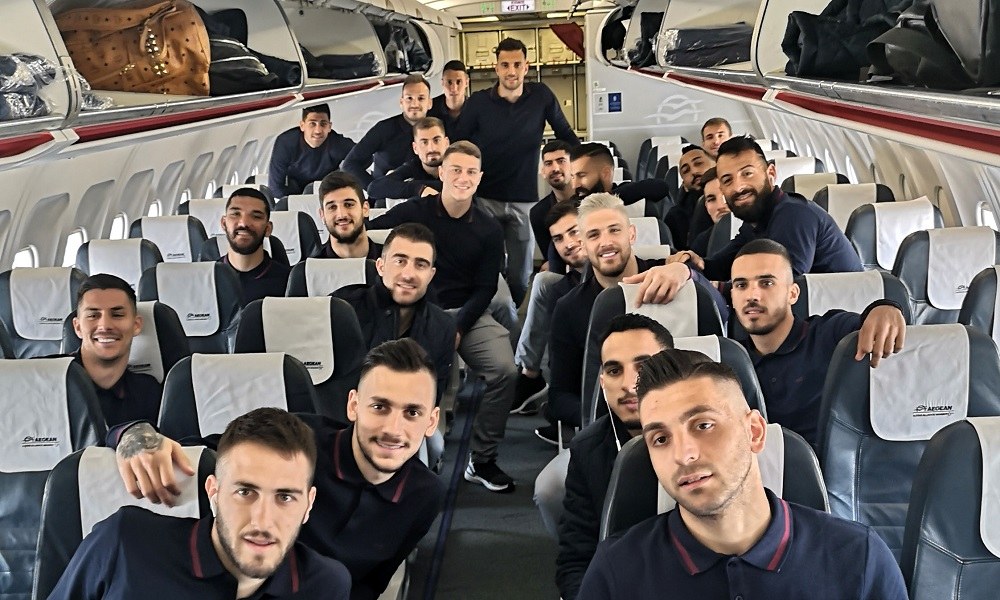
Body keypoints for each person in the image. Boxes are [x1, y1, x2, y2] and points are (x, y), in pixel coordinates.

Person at [113, 339, 445, 600]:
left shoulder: (425, 494)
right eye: (380, 406)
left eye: (412, 413)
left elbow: (371, 584)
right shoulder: (300, 443)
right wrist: (130, 434)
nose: (392, 430)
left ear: (431, 422)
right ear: (353, 405)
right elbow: (200, 452)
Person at [577, 350, 908, 600]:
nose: (683, 455)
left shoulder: (858, 558)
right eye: (661, 439)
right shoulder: (617, 572)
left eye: (703, 425)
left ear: (754, 432)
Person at [50, 408, 352, 600]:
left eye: (285, 497)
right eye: (245, 492)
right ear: (214, 493)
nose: (262, 520)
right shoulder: (125, 544)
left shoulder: (326, 585)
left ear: (308, 505)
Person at [368, 141, 519, 492]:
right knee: (414, 380)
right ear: (441, 173)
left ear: (479, 178)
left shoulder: (488, 228)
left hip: (467, 313)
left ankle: (482, 458)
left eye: (470, 172)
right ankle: (412, 458)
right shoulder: (415, 211)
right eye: (456, 170)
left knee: (504, 370)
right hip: (418, 312)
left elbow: (485, 287)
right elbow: (373, 233)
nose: (463, 178)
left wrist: (458, 326)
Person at [540, 193, 705, 444]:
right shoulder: (569, 307)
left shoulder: (671, 280)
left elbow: (722, 316)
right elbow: (560, 396)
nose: (605, 242)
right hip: (611, 430)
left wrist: (687, 273)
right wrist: (611, 416)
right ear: (583, 244)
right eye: (594, 235)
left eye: (614, 230)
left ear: (632, 234)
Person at [730, 239, 906, 446]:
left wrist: (885, 308)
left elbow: (872, 325)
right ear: (732, 297)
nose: (752, 295)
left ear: (792, 294)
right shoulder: (731, 360)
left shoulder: (830, 333)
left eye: (766, 283)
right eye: (741, 285)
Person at [549, 314, 674, 599]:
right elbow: (576, 558)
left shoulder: (704, 443)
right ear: (603, 381)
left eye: (644, 366)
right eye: (615, 371)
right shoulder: (588, 450)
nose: (629, 384)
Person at [454, 37, 579, 303]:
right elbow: (460, 146)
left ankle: (513, 317)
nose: (511, 71)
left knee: (520, 277)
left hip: (524, 199)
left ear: (526, 67)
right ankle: (498, 318)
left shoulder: (541, 96)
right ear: (496, 68)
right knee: (489, 271)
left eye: (517, 64)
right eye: (505, 65)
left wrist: (582, 166)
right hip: (484, 198)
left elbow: (565, 134)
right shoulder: (478, 102)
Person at [680, 136, 862, 280]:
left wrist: (717, 287)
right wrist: (692, 263)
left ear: (771, 174)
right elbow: (721, 267)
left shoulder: (794, 215)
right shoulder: (755, 222)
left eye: (747, 173)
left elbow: (779, 288)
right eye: (728, 180)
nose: (738, 187)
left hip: (846, 311)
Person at [333, 223, 456, 403]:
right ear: (381, 266)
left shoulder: (443, 326)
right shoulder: (342, 310)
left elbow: (431, 398)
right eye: (400, 261)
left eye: (420, 265)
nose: (408, 274)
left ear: (431, 275)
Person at [511, 200, 589, 415]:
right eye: (559, 239)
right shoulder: (563, 285)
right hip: (576, 290)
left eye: (574, 232)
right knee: (544, 282)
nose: (568, 243)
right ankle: (529, 373)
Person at [63, 273, 162, 429]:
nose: (105, 326)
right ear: (78, 327)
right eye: (93, 315)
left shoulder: (149, 393)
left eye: (117, 315)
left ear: (136, 325)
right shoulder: (50, 379)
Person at [341, 74, 433, 188]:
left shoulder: (439, 130)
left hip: (425, 194)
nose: (415, 104)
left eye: (421, 98)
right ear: (401, 102)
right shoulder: (383, 129)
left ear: (430, 103)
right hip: (386, 196)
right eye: (409, 98)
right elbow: (350, 164)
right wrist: (375, 189)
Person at [218, 187, 291, 304]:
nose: (244, 223)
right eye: (236, 214)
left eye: (256, 216)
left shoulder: (289, 281)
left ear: (268, 229)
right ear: (223, 223)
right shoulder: (208, 278)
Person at [268, 104, 356, 198]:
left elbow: (363, 157)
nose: (318, 131)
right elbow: (275, 188)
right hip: (295, 193)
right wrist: (294, 202)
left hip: (329, 190)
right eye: (312, 124)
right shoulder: (286, 143)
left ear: (329, 127)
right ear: (302, 126)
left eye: (323, 124)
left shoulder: (338, 144)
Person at [367, 117, 447, 203]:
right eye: (424, 142)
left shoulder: (456, 162)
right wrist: (419, 189)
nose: (431, 148)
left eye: (436, 140)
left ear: (446, 143)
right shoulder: (413, 167)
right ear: (415, 148)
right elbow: (374, 188)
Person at [311, 171, 381, 260]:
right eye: (332, 207)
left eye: (349, 205)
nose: (341, 215)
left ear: (365, 209)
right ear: (322, 215)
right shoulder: (311, 267)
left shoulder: (390, 261)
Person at [528, 140, 576, 267]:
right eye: (549, 164)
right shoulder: (538, 213)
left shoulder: (591, 200)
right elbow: (550, 257)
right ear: (543, 172)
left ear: (573, 166)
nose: (555, 168)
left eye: (561, 161)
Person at [664, 145, 715, 250]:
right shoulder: (675, 217)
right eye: (686, 171)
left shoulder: (735, 199)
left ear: (716, 165)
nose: (693, 171)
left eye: (699, 163)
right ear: (684, 186)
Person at [688, 167, 731, 257]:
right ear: (706, 206)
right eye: (711, 199)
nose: (720, 206)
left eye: (725, 196)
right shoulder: (702, 243)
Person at [428, 59, 468, 136]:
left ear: (466, 82)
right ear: (442, 82)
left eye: (458, 82)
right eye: (449, 82)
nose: (454, 88)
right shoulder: (430, 108)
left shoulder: (476, 109)